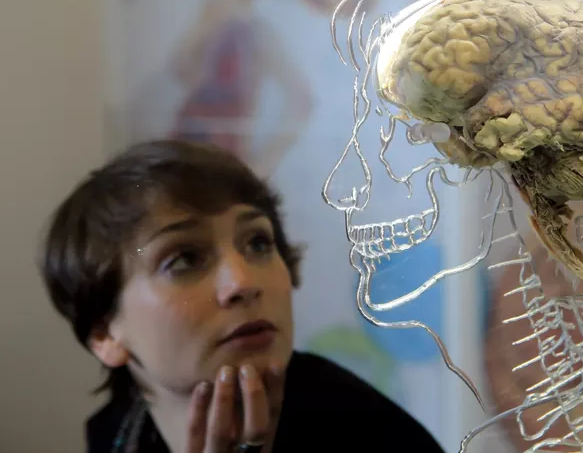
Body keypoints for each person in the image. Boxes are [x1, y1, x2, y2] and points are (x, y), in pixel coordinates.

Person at [39, 140, 445, 453]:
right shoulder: (115, 433)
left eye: (258, 243)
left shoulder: (371, 432)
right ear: (105, 334)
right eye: (184, 259)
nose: (243, 282)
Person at [171, 0, 312, 174]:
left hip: (226, 165)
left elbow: (302, 99)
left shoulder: (255, 32)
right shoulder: (207, 21)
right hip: (186, 157)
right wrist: (204, 26)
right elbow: (181, 73)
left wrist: (263, 165)